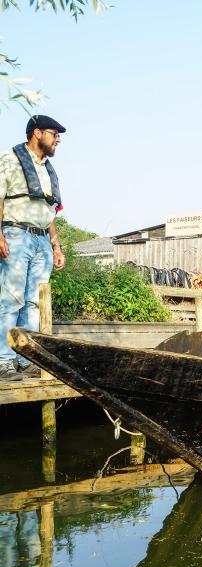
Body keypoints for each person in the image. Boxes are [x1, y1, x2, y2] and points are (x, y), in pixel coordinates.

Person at [0, 115, 66, 380]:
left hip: (42, 240)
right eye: (54, 133)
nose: (57, 139)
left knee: (33, 303)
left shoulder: (48, 170)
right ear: (37, 133)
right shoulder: (10, 161)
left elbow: (49, 211)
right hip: (16, 233)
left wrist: (56, 246)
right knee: (11, 299)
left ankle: (25, 359)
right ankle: (4, 360)